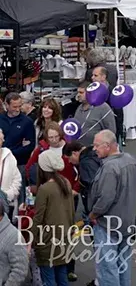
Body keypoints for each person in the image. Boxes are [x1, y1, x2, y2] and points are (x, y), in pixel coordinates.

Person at [87, 129, 136, 286]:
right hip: (126, 224)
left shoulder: (109, 168)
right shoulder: (131, 160)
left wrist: (93, 214)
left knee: (107, 269)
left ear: (107, 146)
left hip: (107, 226)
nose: (94, 149)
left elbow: (106, 198)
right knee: (123, 266)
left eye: (97, 145)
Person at [32, 149, 75, 286]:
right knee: (62, 276)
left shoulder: (44, 189)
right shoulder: (66, 183)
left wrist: (31, 240)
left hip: (48, 241)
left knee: (49, 279)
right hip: (64, 237)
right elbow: (71, 210)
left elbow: (38, 218)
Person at [0, 92, 36, 174]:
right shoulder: (0, 119)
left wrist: (9, 153)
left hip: (19, 165)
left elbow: (30, 145)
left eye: (19, 106)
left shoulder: (27, 122)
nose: (17, 109)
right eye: (14, 107)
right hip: (1, 163)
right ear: (7, 105)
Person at [0, 128, 22, 213]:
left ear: (2, 141)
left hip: (6, 204)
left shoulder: (9, 156)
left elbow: (17, 180)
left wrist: (7, 196)